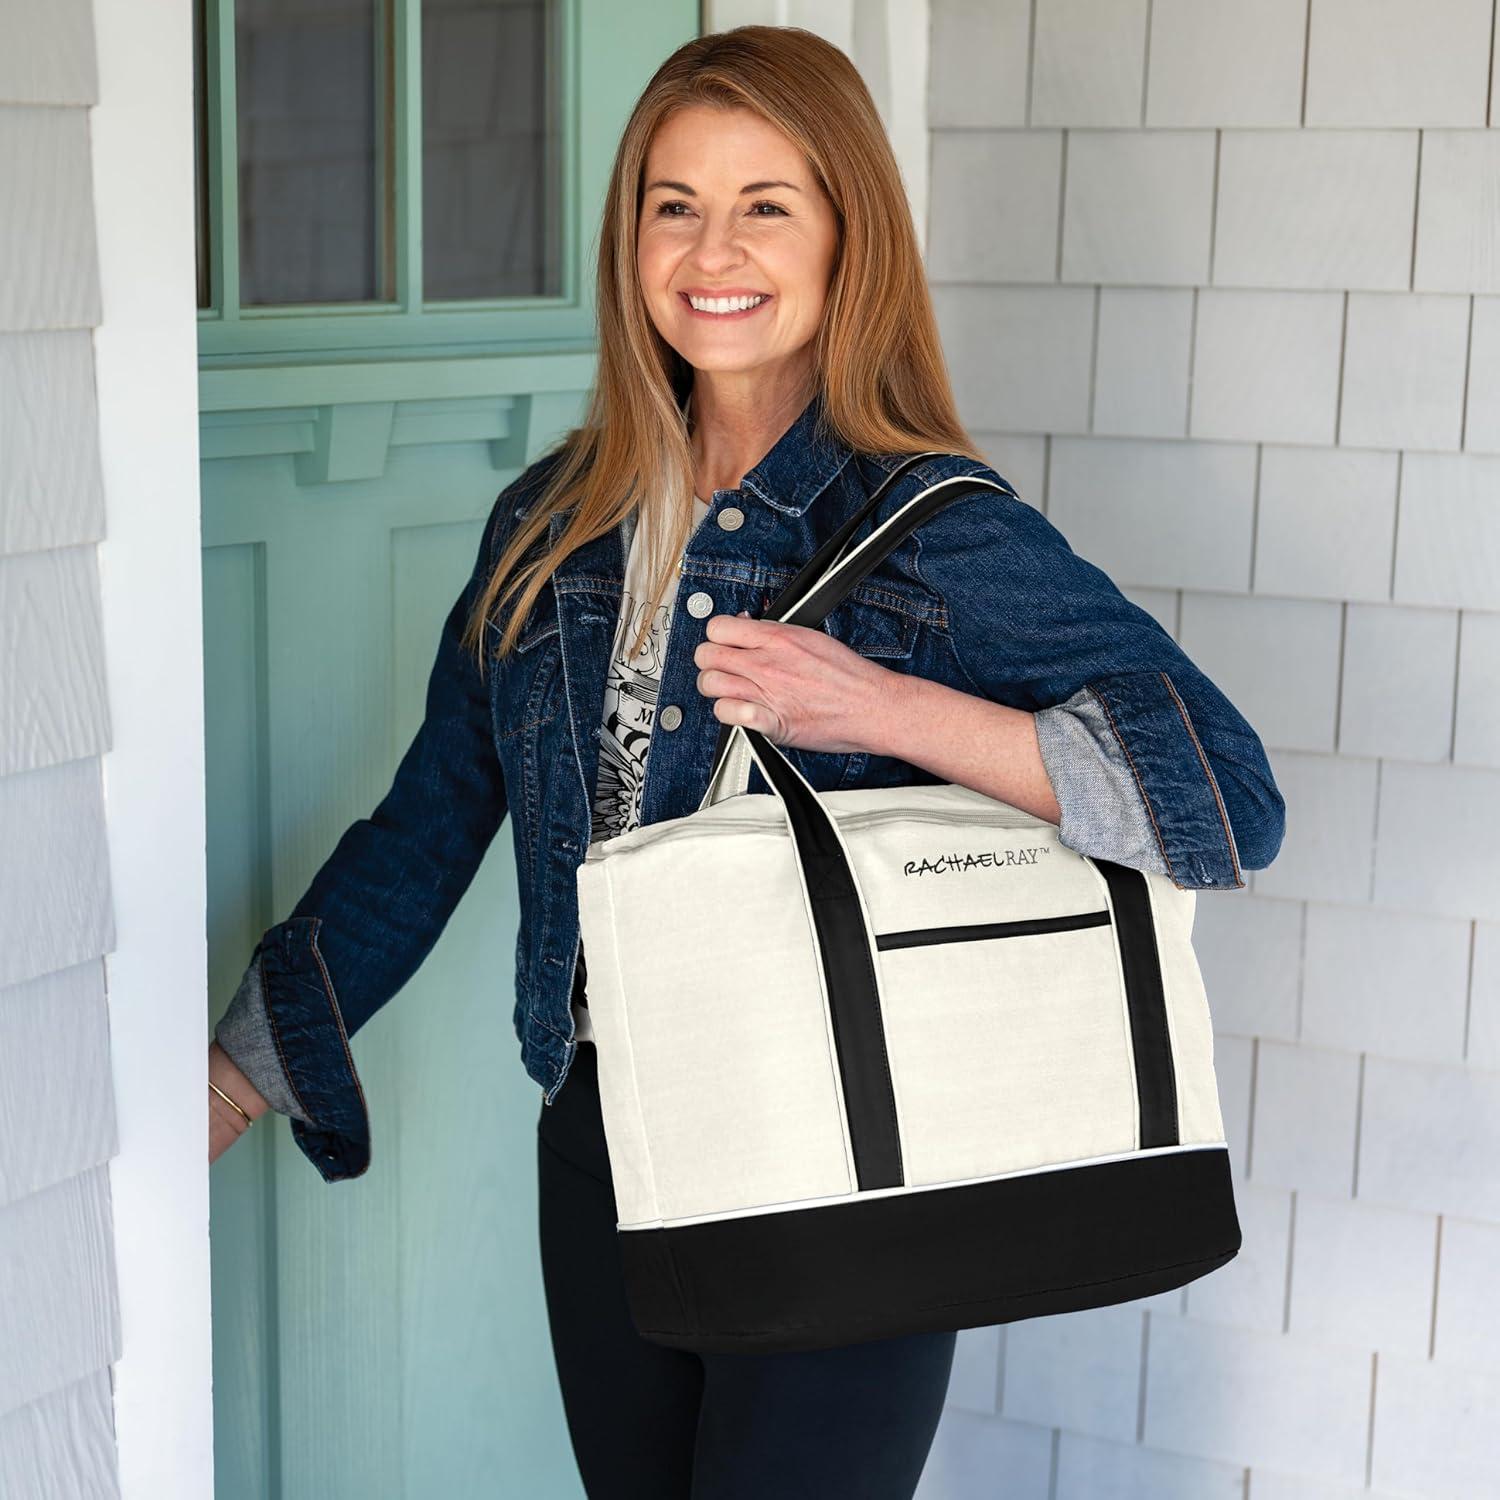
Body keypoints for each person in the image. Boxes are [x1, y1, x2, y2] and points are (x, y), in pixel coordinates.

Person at [207, 24, 1286, 1499]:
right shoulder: (552, 525)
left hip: (842, 1151)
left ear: (848, 236)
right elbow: (431, 818)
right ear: (631, 238)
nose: (712, 251)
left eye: (765, 204)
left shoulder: (931, 526)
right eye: (676, 204)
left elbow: (1227, 796)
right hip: (605, 1138)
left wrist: (885, 708)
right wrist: (241, 1074)